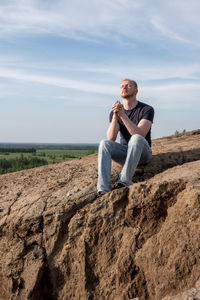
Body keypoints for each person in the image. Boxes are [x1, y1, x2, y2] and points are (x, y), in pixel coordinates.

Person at [97, 78, 154, 196]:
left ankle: (124, 181)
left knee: (136, 138)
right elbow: (111, 138)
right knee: (104, 143)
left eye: (128, 85)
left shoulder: (147, 109)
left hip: (143, 154)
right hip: (125, 153)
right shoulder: (115, 112)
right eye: (122, 86)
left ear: (136, 90)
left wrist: (123, 116)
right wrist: (115, 116)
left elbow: (140, 134)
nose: (124, 87)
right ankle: (103, 189)